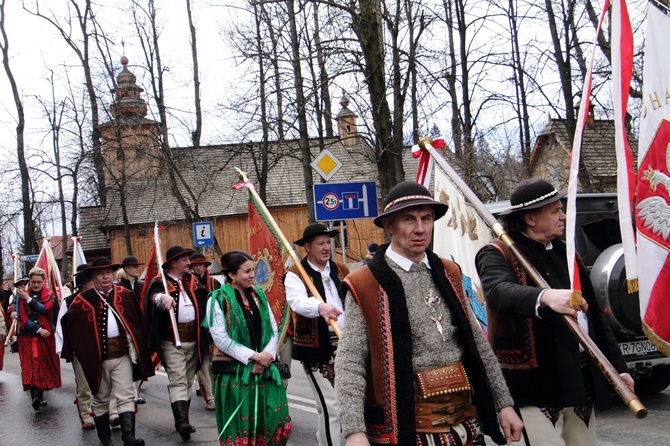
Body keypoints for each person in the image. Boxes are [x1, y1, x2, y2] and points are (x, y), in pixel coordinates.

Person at [335, 181, 523, 446]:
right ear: (389, 225)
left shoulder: (449, 272)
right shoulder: (365, 282)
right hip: (407, 427)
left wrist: (503, 403)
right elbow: (350, 362)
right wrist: (354, 430)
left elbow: (478, 345)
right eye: (409, 219)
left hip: (466, 422)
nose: (420, 228)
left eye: (426, 218)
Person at [475, 178, 634, 446]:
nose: (563, 216)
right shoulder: (498, 253)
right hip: (533, 385)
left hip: (578, 381)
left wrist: (618, 369)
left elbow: (594, 317)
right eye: (554, 211)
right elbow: (499, 292)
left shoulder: (567, 254)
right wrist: (545, 296)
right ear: (530, 218)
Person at [61, 257, 154, 446]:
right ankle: (105, 439)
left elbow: (137, 322)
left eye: (108, 273)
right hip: (98, 358)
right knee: (101, 398)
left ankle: (129, 437)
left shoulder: (125, 295)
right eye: (100, 274)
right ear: (93, 277)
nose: (105, 277)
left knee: (126, 394)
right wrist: (80, 351)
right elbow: (69, 325)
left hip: (122, 354)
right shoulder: (82, 301)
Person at [204, 250, 291, 445]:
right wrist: (254, 357)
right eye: (247, 271)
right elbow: (221, 339)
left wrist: (267, 355)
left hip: (264, 368)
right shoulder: (217, 299)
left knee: (272, 421)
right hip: (235, 373)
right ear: (232, 275)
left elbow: (272, 327)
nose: (253, 275)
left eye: (253, 270)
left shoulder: (259, 294)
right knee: (243, 430)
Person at [284, 223, 349, 446]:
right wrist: (320, 307)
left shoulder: (342, 270)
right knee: (332, 406)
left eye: (328, 243)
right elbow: (297, 302)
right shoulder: (296, 274)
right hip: (317, 349)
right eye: (320, 243)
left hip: (346, 344)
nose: (326, 247)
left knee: (328, 406)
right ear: (308, 248)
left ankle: (324, 440)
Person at [145, 245, 210, 441]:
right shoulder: (160, 282)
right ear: (173, 263)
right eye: (184, 260)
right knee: (178, 379)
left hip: (194, 339)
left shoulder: (193, 281)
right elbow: (152, 298)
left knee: (188, 381)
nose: (189, 263)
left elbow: (204, 298)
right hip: (172, 341)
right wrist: (161, 298)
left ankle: (181, 420)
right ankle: (182, 423)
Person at [7, 268, 62, 411]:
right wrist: (38, 329)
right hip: (27, 336)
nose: (36, 285)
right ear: (29, 282)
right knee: (30, 367)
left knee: (42, 366)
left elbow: (45, 309)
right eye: (33, 282)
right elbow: (23, 318)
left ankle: (41, 395)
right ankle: (35, 397)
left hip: (45, 337)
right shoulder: (20, 295)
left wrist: (28, 299)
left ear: (44, 281)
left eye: (39, 282)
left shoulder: (49, 295)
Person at [55, 267, 97, 430]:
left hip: (100, 347)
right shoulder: (69, 302)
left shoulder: (99, 298)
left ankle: (109, 413)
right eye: (92, 280)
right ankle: (86, 414)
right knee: (84, 383)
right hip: (80, 349)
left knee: (104, 382)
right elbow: (61, 327)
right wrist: (66, 348)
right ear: (83, 284)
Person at [190, 252, 220, 411]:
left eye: (201, 264)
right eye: (195, 265)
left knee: (215, 363)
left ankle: (216, 393)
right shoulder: (189, 285)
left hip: (215, 328)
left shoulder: (214, 283)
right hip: (198, 329)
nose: (199, 267)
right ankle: (209, 397)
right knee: (204, 363)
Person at [118, 255, 147, 405]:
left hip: (140, 328)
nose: (137, 269)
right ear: (126, 269)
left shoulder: (142, 286)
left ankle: (138, 392)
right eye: (133, 266)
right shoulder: (119, 287)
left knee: (140, 360)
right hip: (126, 328)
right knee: (129, 360)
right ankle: (129, 393)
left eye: (137, 266)